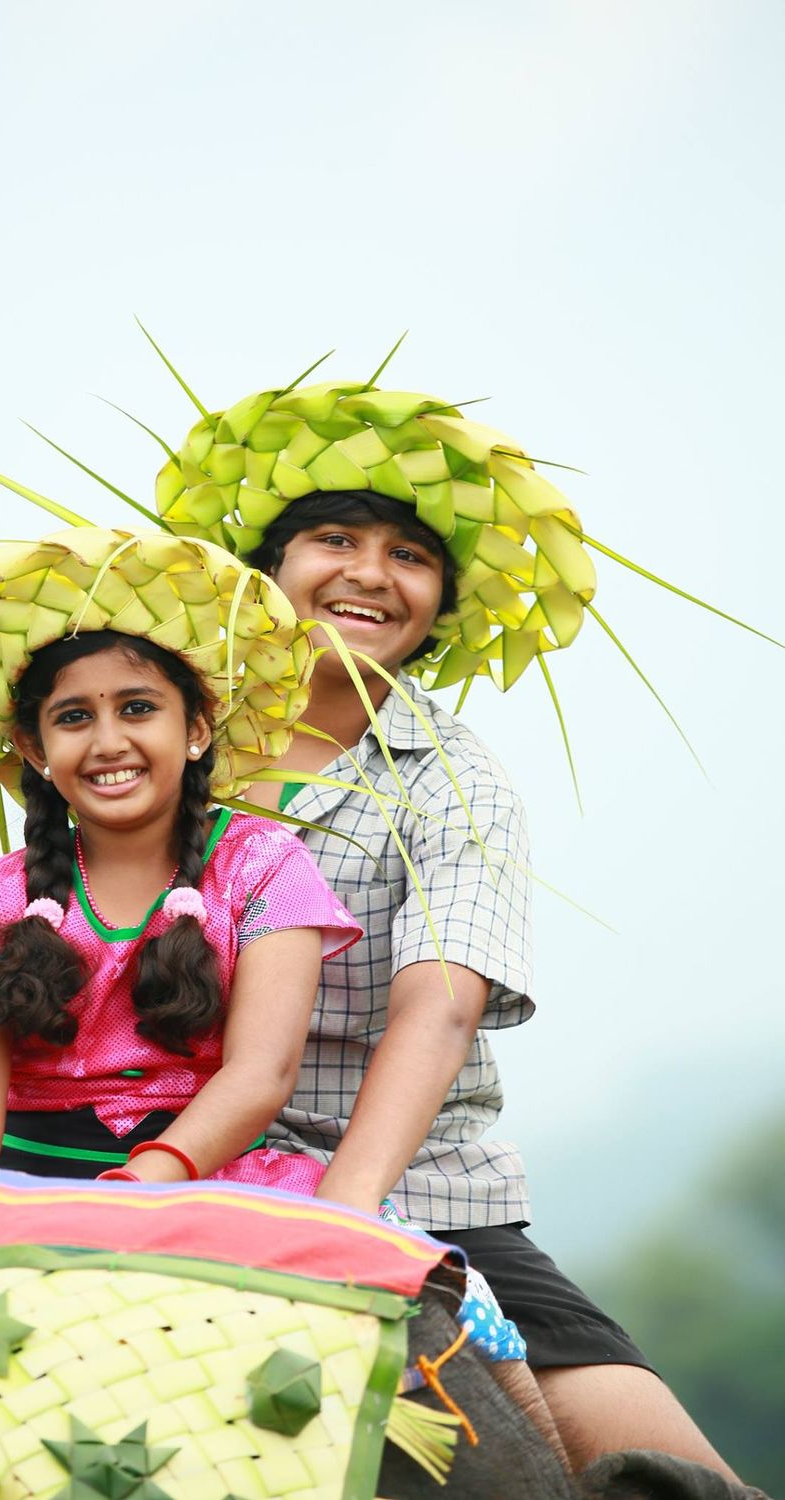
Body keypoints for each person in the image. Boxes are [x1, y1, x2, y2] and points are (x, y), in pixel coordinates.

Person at [152, 378, 742, 1477]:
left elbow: (441, 1002)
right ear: (266, 573)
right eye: (336, 539)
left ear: (438, 605)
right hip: (169, 1154)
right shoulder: (162, 742)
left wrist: (345, 1214)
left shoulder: (453, 778)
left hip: (407, 1180)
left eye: (410, 556)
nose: (371, 574)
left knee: (676, 1474)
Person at [0, 527, 363, 1188]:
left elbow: (261, 1074)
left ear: (196, 728)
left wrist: (137, 1189)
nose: (108, 742)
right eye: (73, 717)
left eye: (138, 708)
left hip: (205, 1184)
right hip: (30, 1195)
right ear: (35, 750)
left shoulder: (264, 867)